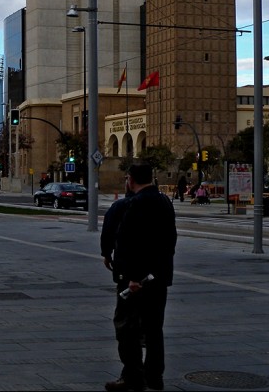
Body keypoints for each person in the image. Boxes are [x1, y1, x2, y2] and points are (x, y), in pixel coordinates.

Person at [106, 162, 177, 392]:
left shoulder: (135, 204)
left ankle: (133, 377)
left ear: (130, 179)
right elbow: (170, 241)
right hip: (159, 278)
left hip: (136, 282)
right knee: (154, 329)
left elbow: (128, 243)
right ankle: (155, 378)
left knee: (127, 329)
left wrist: (132, 277)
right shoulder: (165, 201)